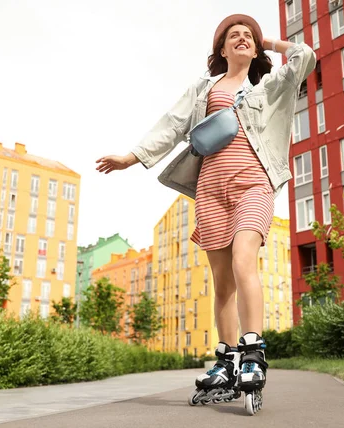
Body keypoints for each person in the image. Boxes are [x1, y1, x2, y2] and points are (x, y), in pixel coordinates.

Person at [96, 14, 315, 396]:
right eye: (235, 35)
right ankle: (226, 360)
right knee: (223, 284)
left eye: (249, 36)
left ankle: (252, 350)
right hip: (211, 190)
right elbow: (172, 123)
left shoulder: (269, 87)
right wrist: (131, 157)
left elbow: (305, 56)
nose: (243, 39)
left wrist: (271, 44)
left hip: (253, 184)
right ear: (222, 48)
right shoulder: (204, 88)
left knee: (244, 259)